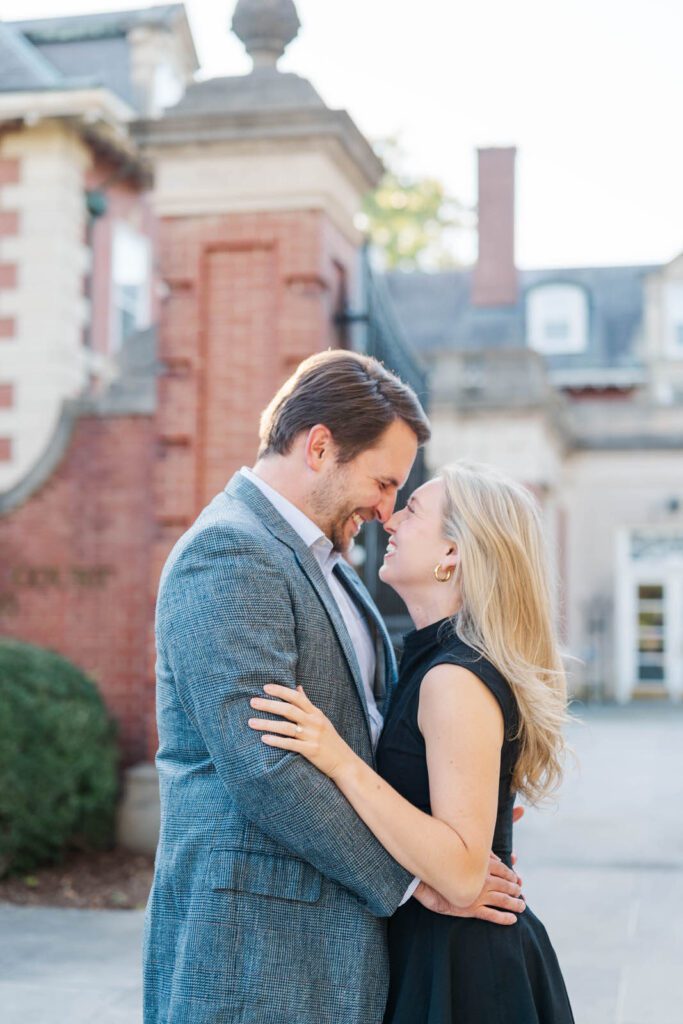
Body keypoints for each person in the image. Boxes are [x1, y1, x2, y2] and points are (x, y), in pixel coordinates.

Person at [143, 353, 525, 1024]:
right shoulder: (229, 553)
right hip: (255, 953)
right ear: (319, 447)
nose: (384, 510)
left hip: (337, 952)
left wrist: (449, 801)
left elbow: (366, 730)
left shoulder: (334, 569)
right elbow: (267, 768)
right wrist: (415, 881)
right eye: (382, 482)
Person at [249, 460, 575, 1023]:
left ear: (452, 554)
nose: (391, 519)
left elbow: (462, 873)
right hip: (443, 954)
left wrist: (340, 761)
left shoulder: (454, 679)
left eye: (414, 509)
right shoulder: (435, 663)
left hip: (465, 975)